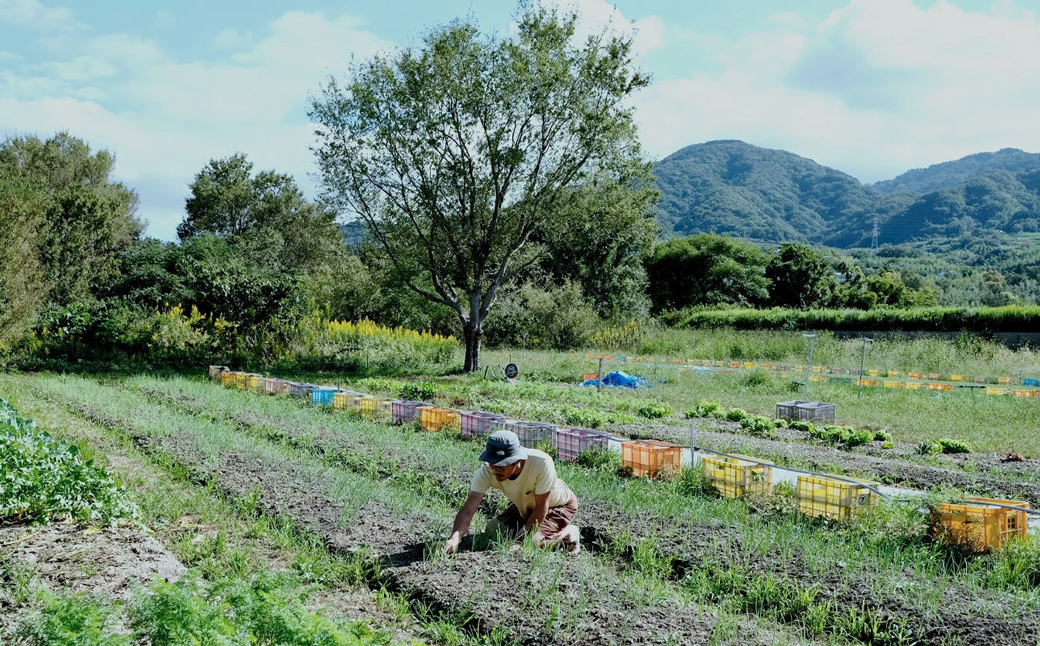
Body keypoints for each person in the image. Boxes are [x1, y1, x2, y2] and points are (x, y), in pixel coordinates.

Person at [444, 430, 580, 555]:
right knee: (493, 529)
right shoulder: (486, 472)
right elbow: (468, 510)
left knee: (531, 543)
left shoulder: (541, 463)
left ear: (518, 461)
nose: (495, 470)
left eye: (502, 466)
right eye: (492, 465)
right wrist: (454, 539)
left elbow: (540, 509)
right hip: (526, 506)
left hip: (558, 505)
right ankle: (528, 530)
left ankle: (568, 533)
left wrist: (519, 542)